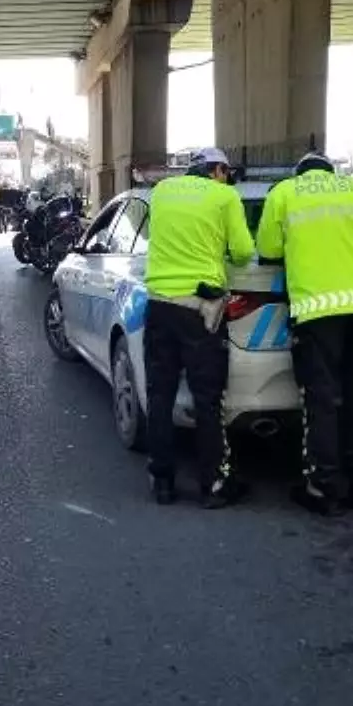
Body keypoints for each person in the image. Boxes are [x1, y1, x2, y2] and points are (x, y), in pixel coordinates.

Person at [255, 151, 353, 515]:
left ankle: (323, 489)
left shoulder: (285, 192)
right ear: (330, 170)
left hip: (316, 310)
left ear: (300, 172)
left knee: (321, 402)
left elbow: (267, 249)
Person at [143, 147, 255, 508]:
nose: (228, 178)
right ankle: (213, 486)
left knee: (160, 395)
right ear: (218, 170)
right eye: (226, 172)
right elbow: (241, 252)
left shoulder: (161, 192)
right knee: (207, 400)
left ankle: (162, 483)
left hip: (159, 304)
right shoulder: (224, 196)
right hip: (200, 310)